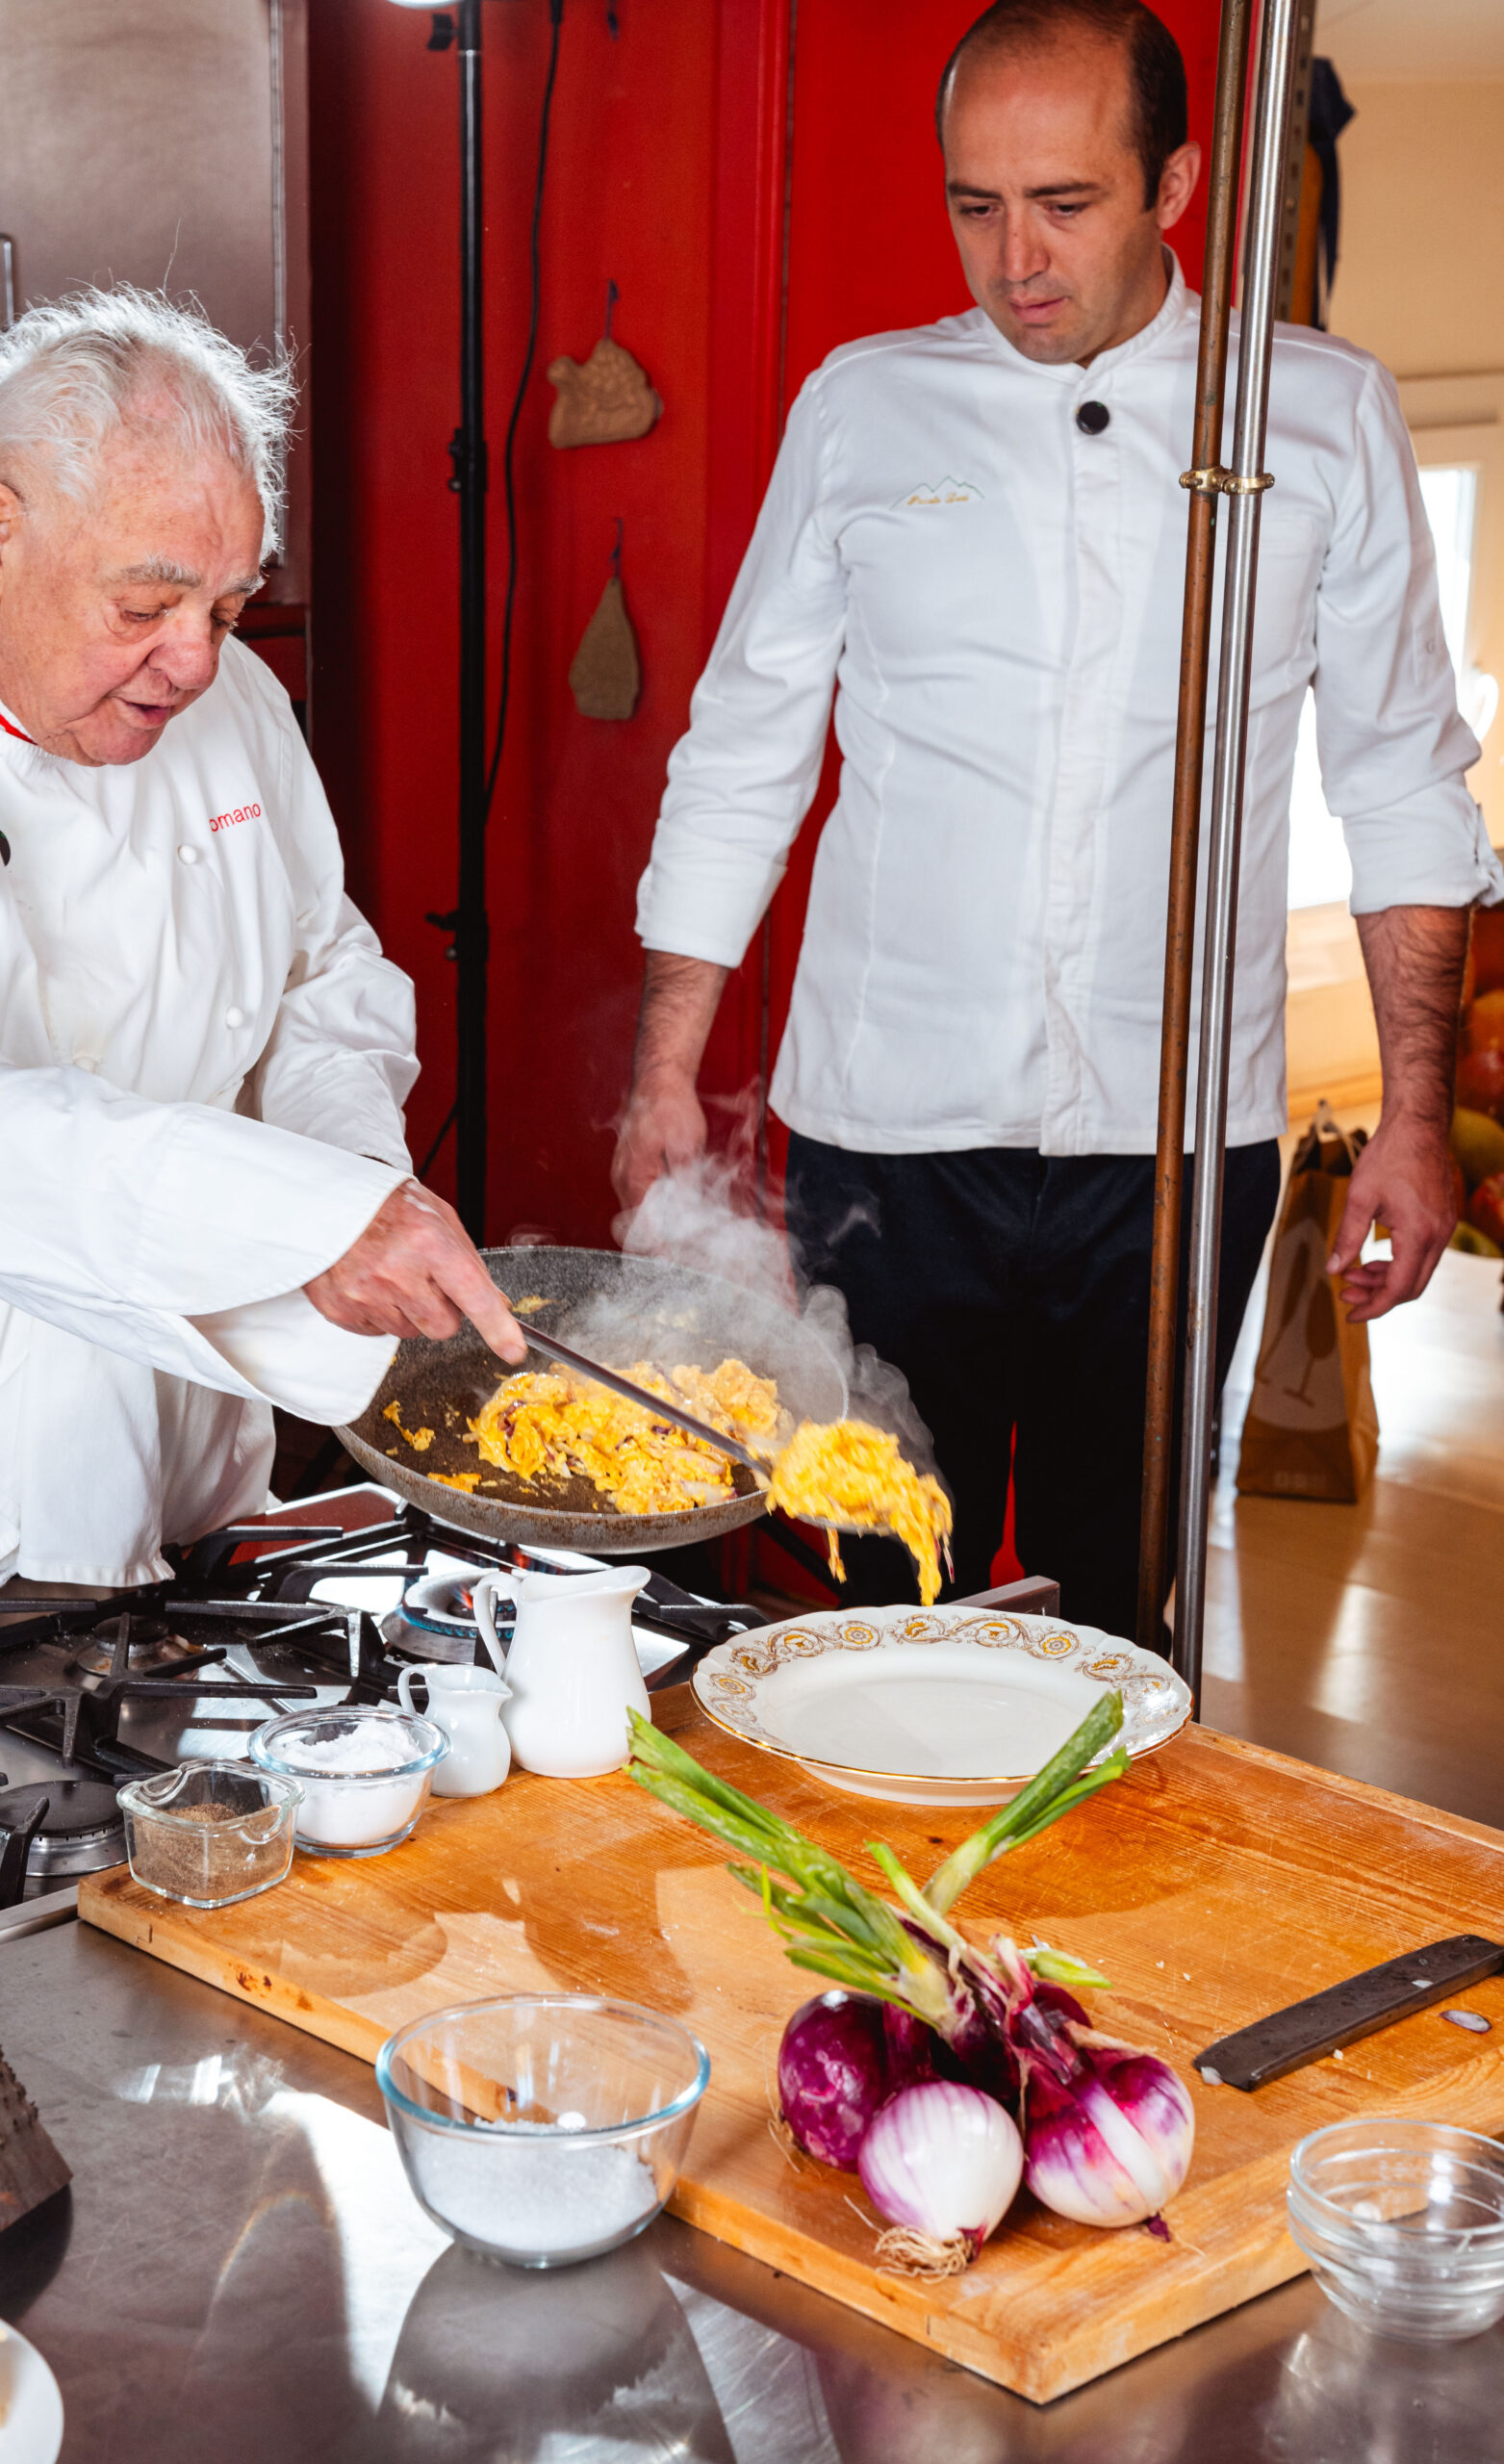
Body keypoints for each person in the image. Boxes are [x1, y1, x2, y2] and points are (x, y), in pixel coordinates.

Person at [615, 0, 1503, 1639]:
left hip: (1175, 1140)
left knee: (1119, 1601)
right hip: (889, 1125)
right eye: (976, 206)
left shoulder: (1317, 415)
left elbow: (1397, 777)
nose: (1013, 260)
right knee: (874, 1591)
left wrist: (1412, 1111)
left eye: (1064, 204)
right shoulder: (863, 407)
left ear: (1174, 183)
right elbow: (744, 746)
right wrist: (668, 1066)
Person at [0, 289, 523, 1629]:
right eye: (147, 605)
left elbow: (317, 979)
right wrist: (302, 1221)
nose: (198, 660)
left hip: (201, 1407)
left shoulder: (225, 687)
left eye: (228, 604)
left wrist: (355, 1186)